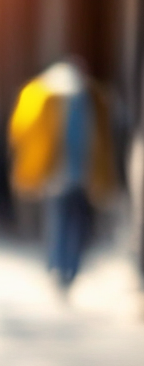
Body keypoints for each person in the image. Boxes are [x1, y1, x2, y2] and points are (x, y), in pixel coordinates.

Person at [8, 59, 119, 288]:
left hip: (59, 175)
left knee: (59, 222)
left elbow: (21, 130)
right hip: (75, 174)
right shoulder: (88, 98)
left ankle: (59, 268)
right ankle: (66, 269)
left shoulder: (46, 97)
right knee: (73, 222)